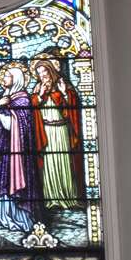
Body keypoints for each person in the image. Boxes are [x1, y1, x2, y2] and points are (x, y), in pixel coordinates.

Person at [0, 65, 48, 232]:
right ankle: (0, 214)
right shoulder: (7, 97)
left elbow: (19, 126)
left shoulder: (23, 100)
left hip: (18, 151)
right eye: (4, 76)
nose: (3, 79)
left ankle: (20, 217)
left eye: (7, 76)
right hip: (3, 148)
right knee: (2, 178)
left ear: (16, 79)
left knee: (12, 178)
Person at [31, 58, 84, 209]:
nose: (42, 75)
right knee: (50, 164)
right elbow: (33, 109)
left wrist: (65, 94)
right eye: (39, 72)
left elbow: (73, 105)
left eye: (44, 71)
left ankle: (71, 198)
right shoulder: (37, 88)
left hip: (62, 130)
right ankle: (52, 199)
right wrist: (39, 96)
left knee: (65, 162)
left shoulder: (63, 84)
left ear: (50, 70)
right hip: (46, 131)